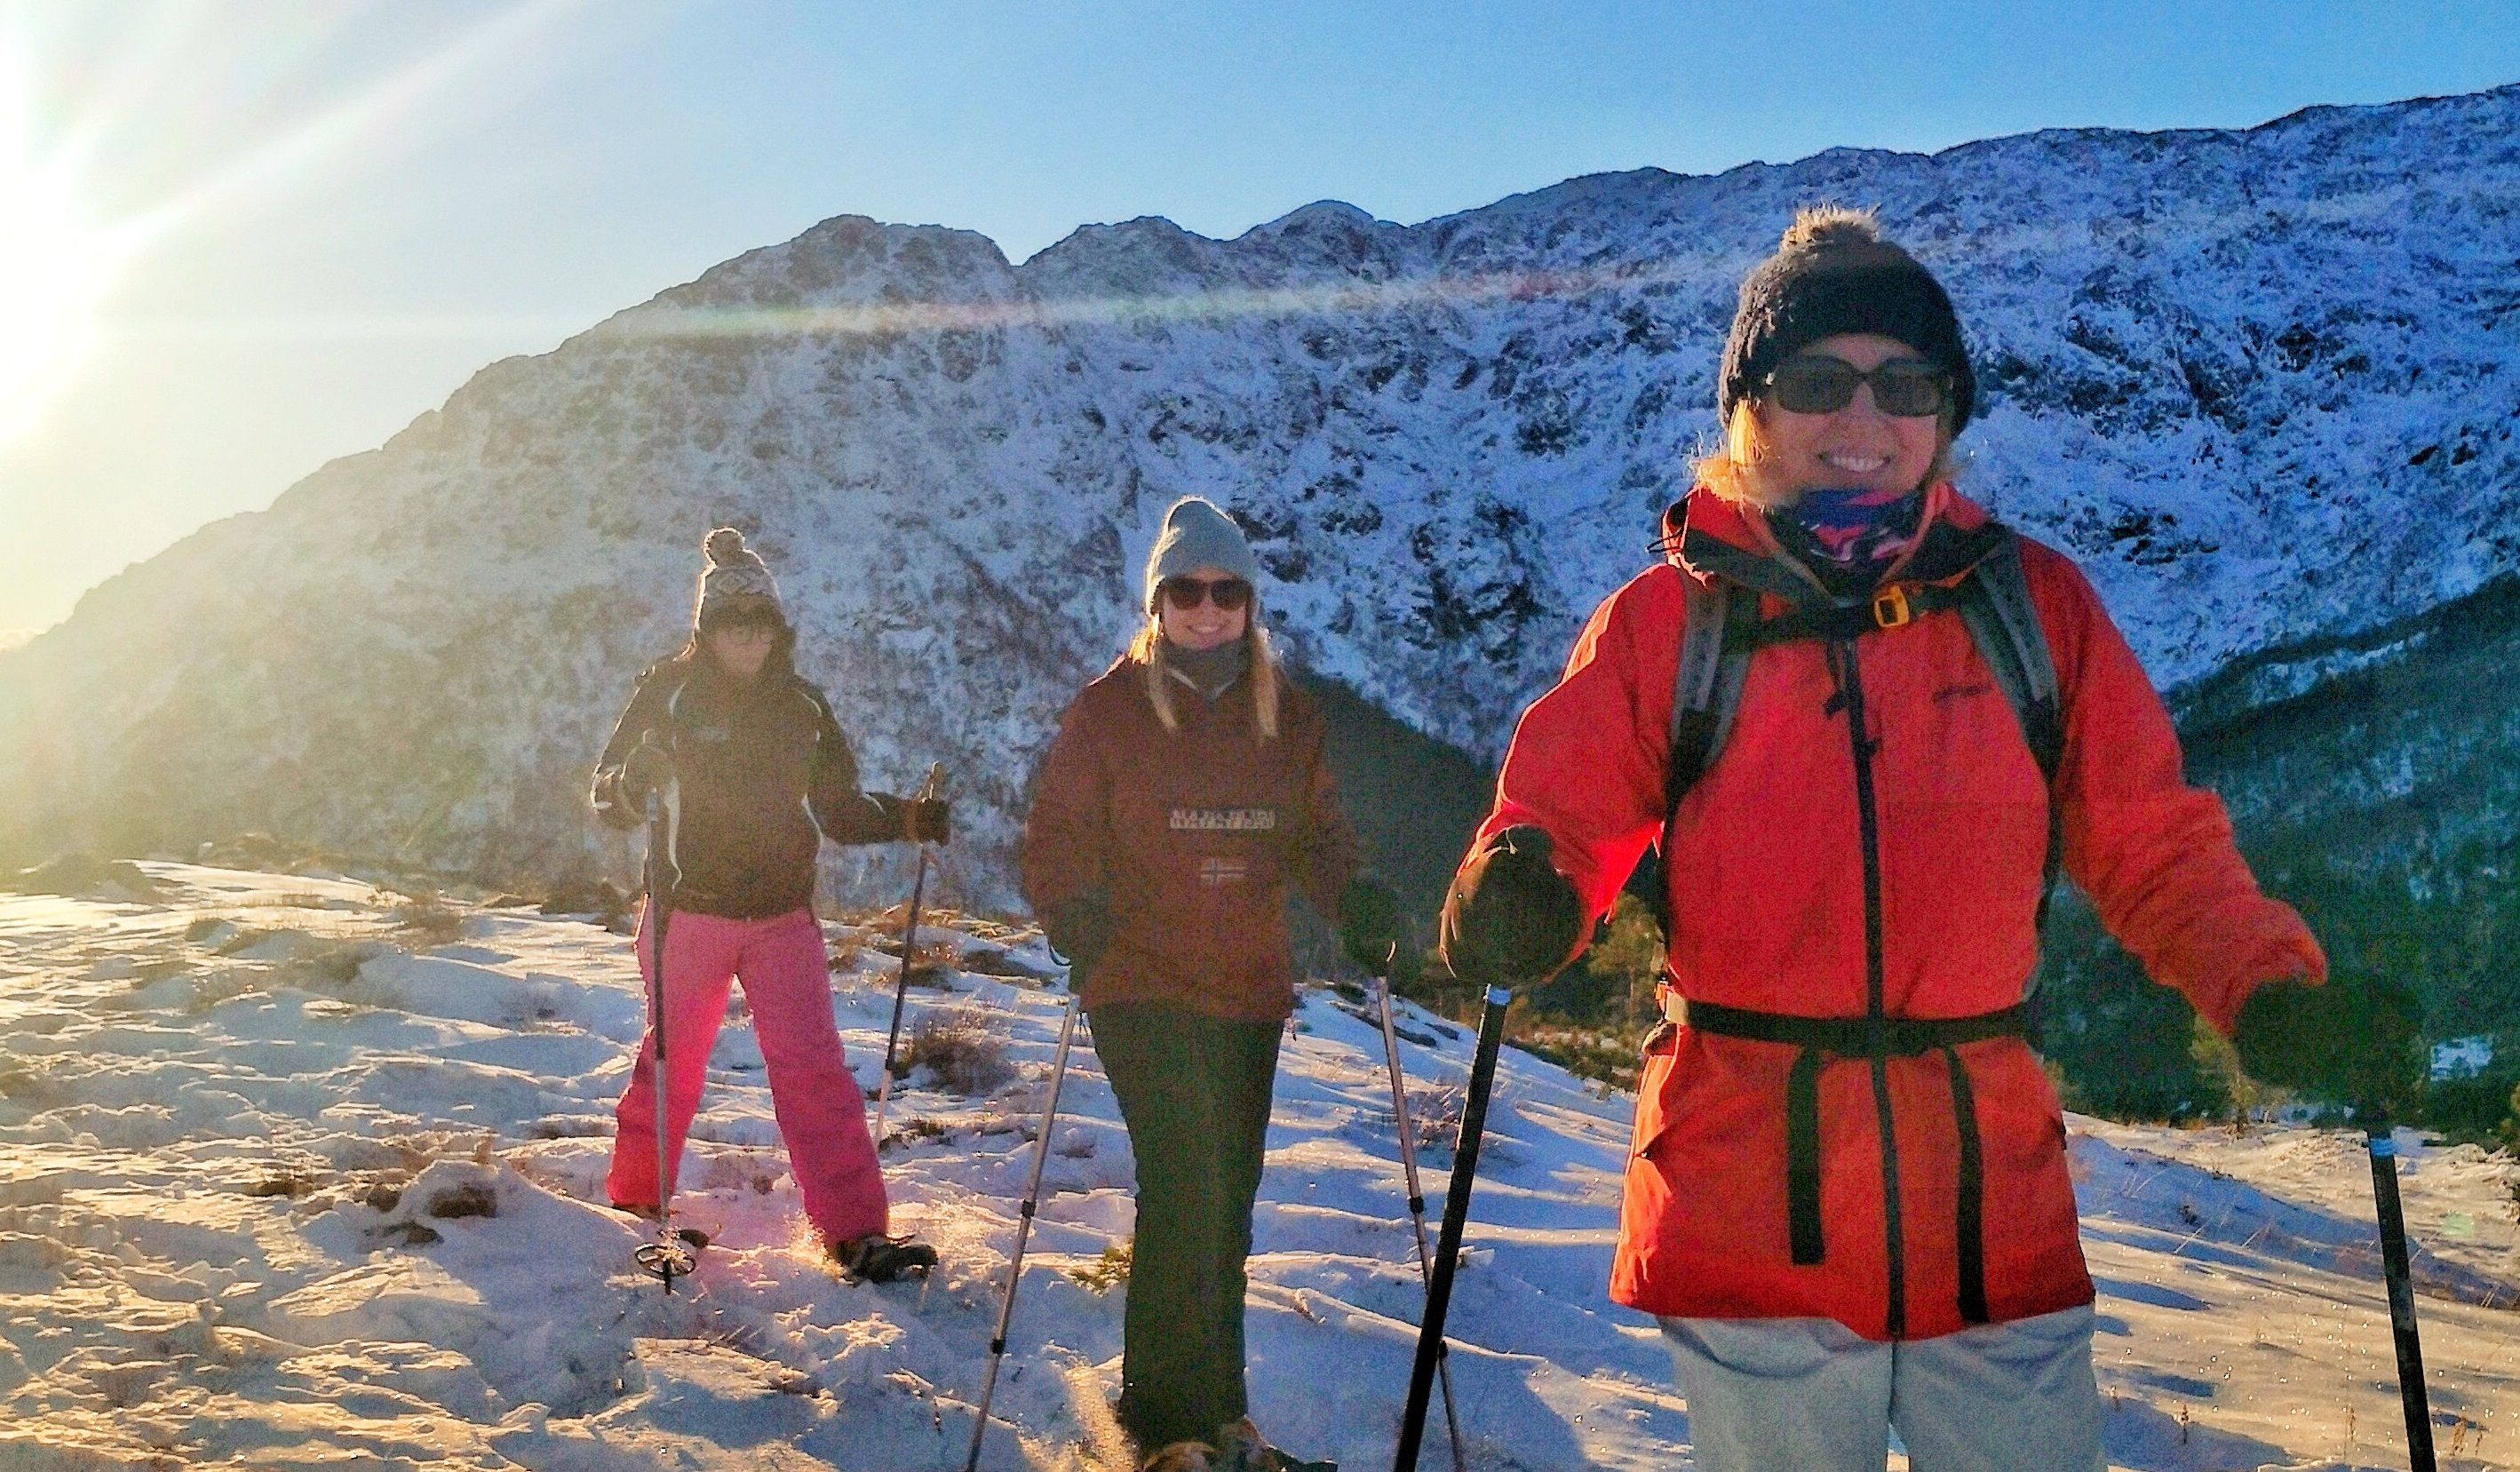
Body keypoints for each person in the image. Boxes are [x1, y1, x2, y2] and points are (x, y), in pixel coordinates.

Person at [1436, 208, 2422, 1470]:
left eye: (1904, 385)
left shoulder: (2032, 607)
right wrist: (1518, 889)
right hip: (1750, 1200)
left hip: (1986, 1199)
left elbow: (2154, 847)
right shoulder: (1665, 626)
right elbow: (1560, 818)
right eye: (1816, 382)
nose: (1862, 422)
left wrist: (2271, 991)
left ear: (1948, 413)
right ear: (1750, 408)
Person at [1022, 497, 1394, 1472]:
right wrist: (1073, 910)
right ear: (1157, 602)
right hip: (1138, 979)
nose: (1206, 608)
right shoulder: (1110, 710)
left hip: (1245, 988)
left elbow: (1317, 837)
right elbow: (1056, 833)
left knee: (1226, 1199)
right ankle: (1160, 1419)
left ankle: (1221, 1415)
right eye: (1185, 590)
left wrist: (1353, 895)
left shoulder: (1289, 716)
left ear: (1249, 603)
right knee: (1186, 1184)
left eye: (1226, 591)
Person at [589, 527, 952, 1284]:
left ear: (777, 628)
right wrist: (635, 779)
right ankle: (632, 1209)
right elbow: (610, 797)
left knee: (813, 1068)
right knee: (670, 1062)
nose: (747, 635)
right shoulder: (668, 692)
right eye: (731, 621)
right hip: (688, 912)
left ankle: (855, 1232)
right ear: (707, 629)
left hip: (782, 917)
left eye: (760, 620)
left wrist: (908, 819)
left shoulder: (802, 708)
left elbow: (840, 809)